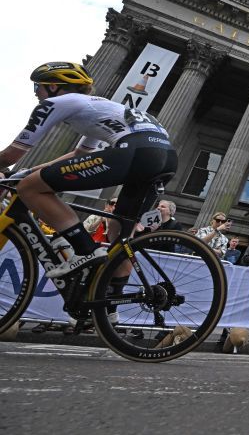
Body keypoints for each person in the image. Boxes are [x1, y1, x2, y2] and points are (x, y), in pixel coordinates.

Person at [0, 62, 177, 277]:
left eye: (37, 86)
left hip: (136, 151)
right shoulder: (100, 109)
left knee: (29, 188)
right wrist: (30, 170)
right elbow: (80, 155)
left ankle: (84, 249)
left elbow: (12, 154)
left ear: (54, 87)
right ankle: (110, 304)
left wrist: (20, 174)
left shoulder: (59, 102)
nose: (36, 92)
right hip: (165, 158)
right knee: (119, 234)